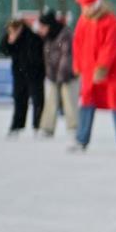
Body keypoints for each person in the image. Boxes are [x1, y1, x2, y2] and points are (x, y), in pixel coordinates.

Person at [70, 0, 116, 152]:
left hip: (113, 71)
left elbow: (111, 45)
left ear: (94, 6)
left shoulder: (110, 21)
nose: (83, 10)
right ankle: (81, 139)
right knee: (87, 101)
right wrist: (78, 64)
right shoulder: (83, 22)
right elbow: (77, 44)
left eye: (85, 7)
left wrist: (102, 67)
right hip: (88, 69)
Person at [0, 18, 44, 137]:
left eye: (13, 30)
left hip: (35, 74)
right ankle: (17, 126)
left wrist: (33, 67)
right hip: (19, 74)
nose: (11, 32)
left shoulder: (32, 37)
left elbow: (36, 56)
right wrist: (9, 41)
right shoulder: (11, 36)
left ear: (19, 28)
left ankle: (37, 126)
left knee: (37, 100)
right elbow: (3, 50)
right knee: (19, 100)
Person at [37, 9, 78, 139]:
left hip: (68, 75)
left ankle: (73, 127)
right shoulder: (48, 36)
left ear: (49, 25)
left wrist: (61, 76)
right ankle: (47, 128)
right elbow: (48, 58)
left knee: (69, 101)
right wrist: (51, 75)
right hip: (54, 76)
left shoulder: (65, 34)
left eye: (43, 26)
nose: (41, 29)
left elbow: (67, 57)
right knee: (51, 101)